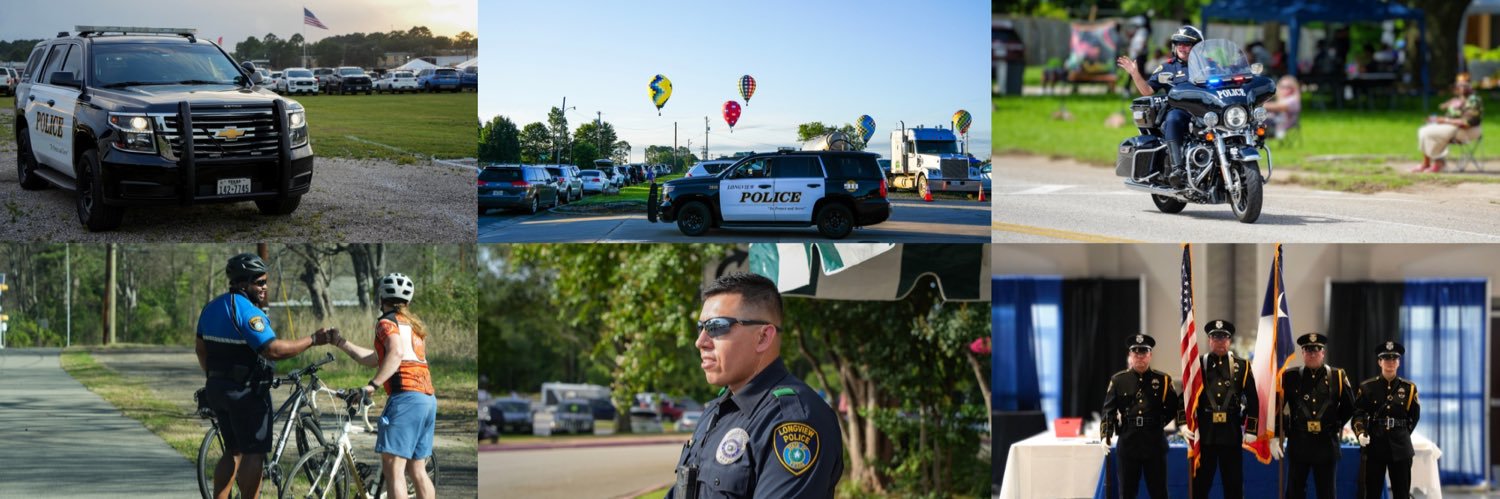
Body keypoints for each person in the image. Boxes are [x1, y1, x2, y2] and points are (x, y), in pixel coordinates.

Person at [666, 273, 843, 499]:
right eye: (700, 327)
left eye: (716, 327)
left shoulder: (793, 420)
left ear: (763, 337)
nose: (700, 341)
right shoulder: (718, 410)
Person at [196, 253, 333, 499]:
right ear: (241, 284)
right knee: (253, 452)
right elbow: (273, 349)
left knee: (233, 450)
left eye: (265, 282)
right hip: (246, 392)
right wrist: (313, 340)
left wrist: (215, 378)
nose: (264, 287)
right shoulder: (247, 311)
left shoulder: (210, 308)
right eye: (259, 282)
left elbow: (201, 349)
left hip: (217, 389)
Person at [329, 273, 436, 499]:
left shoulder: (386, 323)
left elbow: (395, 353)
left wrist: (372, 386)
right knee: (417, 470)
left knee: (394, 470)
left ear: (382, 298)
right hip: (427, 400)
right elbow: (377, 357)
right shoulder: (412, 326)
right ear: (407, 301)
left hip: (405, 398)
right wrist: (340, 342)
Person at [1117, 25, 1204, 187]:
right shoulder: (1168, 67)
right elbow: (1147, 90)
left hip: (1207, 112)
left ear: (1197, 46)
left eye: (1187, 44)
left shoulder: (1209, 65)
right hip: (1182, 112)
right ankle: (1178, 168)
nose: (1182, 47)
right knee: (1173, 118)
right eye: (1179, 44)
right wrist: (1135, 73)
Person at [1101, 334, 1184, 499]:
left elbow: (1175, 407)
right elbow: (1108, 411)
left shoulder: (1163, 380)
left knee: (1159, 492)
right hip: (1128, 442)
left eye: (1144, 353)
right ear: (1130, 356)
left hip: (1154, 442)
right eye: (1136, 353)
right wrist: (1105, 434)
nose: (1140, 357)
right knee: (1127, 493)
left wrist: (1160, 422)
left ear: (1150, 355)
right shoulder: (1118, 380)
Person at [1182, 320, 1259, 499]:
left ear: (1229, 340)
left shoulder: (1243, 366)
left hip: (1231, 433)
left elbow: (1253, 400)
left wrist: (1251, 428)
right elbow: (1183, 399)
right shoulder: (1197, 365)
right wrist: (1183, 424)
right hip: (1205, 434)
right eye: (1216, 337)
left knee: (1233, 486)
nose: (1220, 341)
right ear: (1209, 340)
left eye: (1223, 337)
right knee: (1200, 486)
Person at [1276, 333, 1356, 499]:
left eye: (1316, 350)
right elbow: (1276, 408)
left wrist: (1335, 423)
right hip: (1299, 442)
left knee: (1327, 493)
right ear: (1303, 353)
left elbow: (1349, 406)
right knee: (1294, 492)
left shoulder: (1337, 376)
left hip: (1326, 443)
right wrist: (1278, 432)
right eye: (1308, 350)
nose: (1312, 354)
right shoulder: (1289, 377)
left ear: (1323, 353)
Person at [1353, 341, 1421, 499]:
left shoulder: (1409, 388)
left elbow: (1414, 416)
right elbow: (1359, 414)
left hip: (1401, 447)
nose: (1390, 362)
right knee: (1373, 493)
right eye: (1386, 359)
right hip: (1376, 444)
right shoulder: (1367, 387)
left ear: (1399, 362)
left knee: (1402, 493)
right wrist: (1361, 433)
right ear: (1379, 362)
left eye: (1394, 359)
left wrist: (1402, 433)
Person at [1414, 75, 1483, 173]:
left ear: (1470, 86)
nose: (1460, 87)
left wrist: (1444, 121)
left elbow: (1468, 122)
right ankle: (1426, 163)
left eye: (1464, 85)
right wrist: (1437, 119)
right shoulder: (1459, 99)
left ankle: (1439, 162)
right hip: (1455, 128)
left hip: (1468, 130)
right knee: (1423, 130)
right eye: (1458, 85)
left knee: (1430, 133)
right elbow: (1447, 112)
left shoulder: (1473, 100)